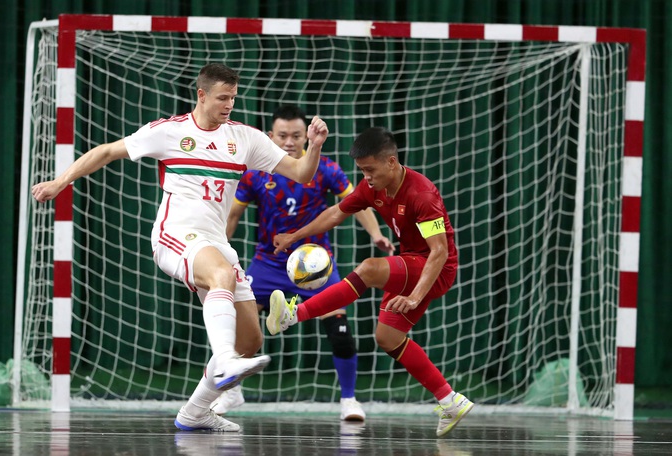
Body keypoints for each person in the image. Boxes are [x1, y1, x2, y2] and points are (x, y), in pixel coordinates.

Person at [31, 63, 329, 432]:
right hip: (176, 234)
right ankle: (223, 361)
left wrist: (314, 146)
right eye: (222, 97)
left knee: (249, 341)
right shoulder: (168, 131)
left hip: (216, 242)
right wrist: (61, 182)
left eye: (234, 97)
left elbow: (301, 173)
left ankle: (195, 412)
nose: (229, 104)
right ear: (201, 95)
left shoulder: (246, 138)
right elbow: (107, 151)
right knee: (221, 290)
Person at [266, 127, 474, 437]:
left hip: (436, 268)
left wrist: (415, 297)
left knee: (369, 268)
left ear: (391, 162)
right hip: (411, 264)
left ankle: (294, 315)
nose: (366, 177)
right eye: (362, 170)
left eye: (370, 169)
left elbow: (439, 252)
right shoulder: (371, 188)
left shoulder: (422, 194)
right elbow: (336, 212)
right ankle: (450, 399)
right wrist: (294, 236)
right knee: (387, 338)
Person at [210, 105, 394, 421]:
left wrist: (376, 234)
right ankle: (232, 391)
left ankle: (349, 400)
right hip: (268, 263)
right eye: (282, 135)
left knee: (339, 329)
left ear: (306, 137)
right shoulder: (256, 173)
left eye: (297, 135)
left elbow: (357, 204)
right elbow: (234, 214)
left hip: (316, 265)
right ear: (270, 137)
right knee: (236, 322)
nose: (289, 142)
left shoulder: (325, 169)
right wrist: (218, 250)